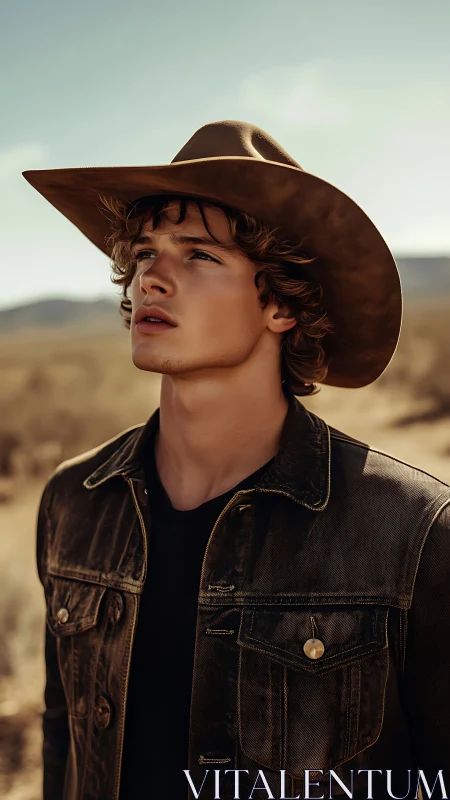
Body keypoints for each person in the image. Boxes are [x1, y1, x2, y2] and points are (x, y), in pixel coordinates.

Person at [25, 121, 450, 800]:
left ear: (281, 302)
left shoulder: (413, 532)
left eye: (198, 256)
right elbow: (63, 749)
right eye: (142, 253)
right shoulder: (75, 502)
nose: (152, 279)